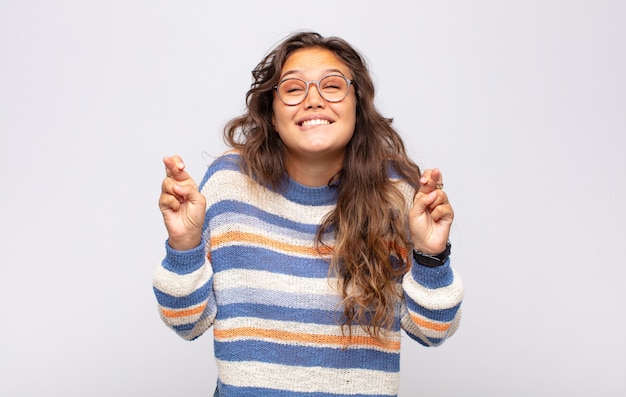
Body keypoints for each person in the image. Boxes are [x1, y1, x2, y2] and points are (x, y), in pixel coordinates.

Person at [154, 31, 463, 397]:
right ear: (271, 112)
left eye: (332, 86)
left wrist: (431, 255)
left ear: (357, 105)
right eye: (293, 88)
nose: (313, 100)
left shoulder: (395, 193)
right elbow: (186, 322)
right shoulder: (228, 185)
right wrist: (184, 245)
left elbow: (433, 330)